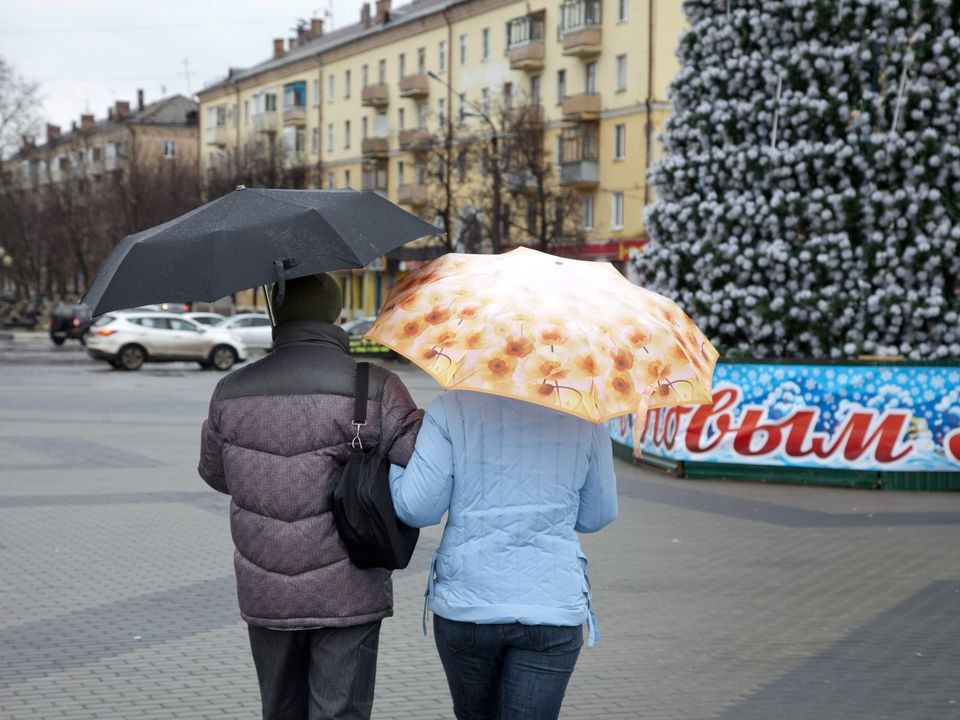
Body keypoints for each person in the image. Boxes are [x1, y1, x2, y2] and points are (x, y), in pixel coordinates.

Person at [198, 273, 422, 720]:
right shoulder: (374, 385)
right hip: (349, 589)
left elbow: (216, 474)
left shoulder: (230, 390)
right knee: (340, 712)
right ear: (335, 316)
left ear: (277, 316)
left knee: (279, 710)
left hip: (266, 588)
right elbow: (418, 468)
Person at [389, 391, 618, 720]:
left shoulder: (451, 408)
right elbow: (597, 515)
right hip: (551, 605)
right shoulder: (585, 415)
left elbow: (418, 509)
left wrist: (396, 471)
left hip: (468, 603)